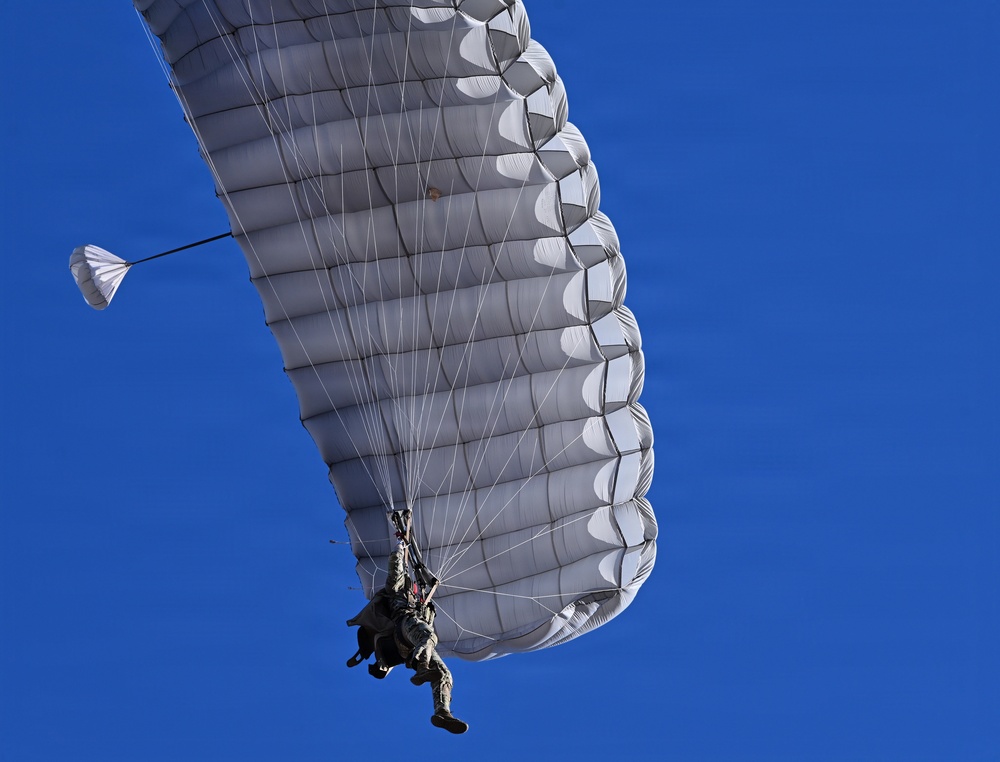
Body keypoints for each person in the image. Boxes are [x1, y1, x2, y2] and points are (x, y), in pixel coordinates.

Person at [347, 538, 469, 734]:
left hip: (413, 645)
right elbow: (395, 568)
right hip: (403, 626)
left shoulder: (424, 604)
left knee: (444, 673)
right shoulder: (396, 589)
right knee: (429, 637)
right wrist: (399, 548)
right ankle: (422, 668)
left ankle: (442, 712)